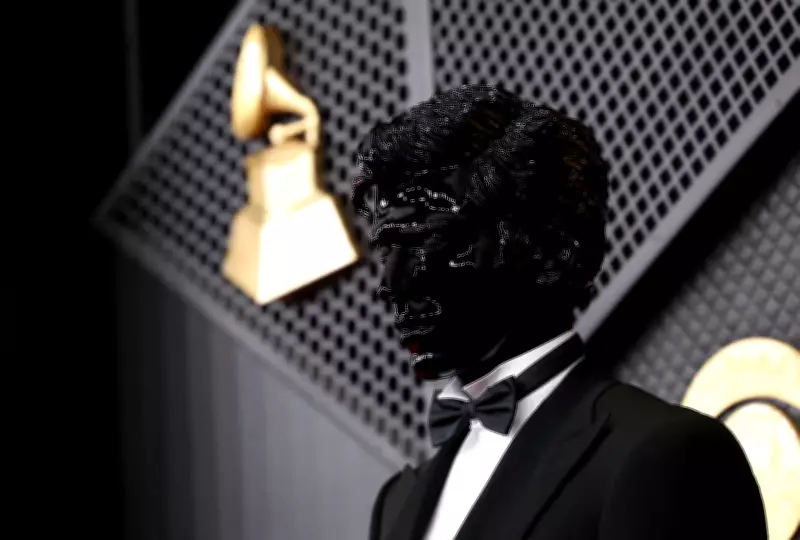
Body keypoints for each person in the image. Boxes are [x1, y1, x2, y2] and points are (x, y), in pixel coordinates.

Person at [352, 84, 767, 540]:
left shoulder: (667, 455)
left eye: (430, 242)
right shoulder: (396, 503)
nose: (390, 284)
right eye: (387, 249)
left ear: (552, 252)